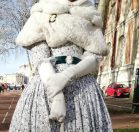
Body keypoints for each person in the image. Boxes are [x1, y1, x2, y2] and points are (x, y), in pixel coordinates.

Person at [9, 0, 113, 131]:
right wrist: (57, 95)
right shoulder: (41, 12)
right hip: (46, 83)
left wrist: (66, 76)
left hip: (83, 87)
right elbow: (40, 57)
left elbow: (93, 58)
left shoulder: (90, 15)